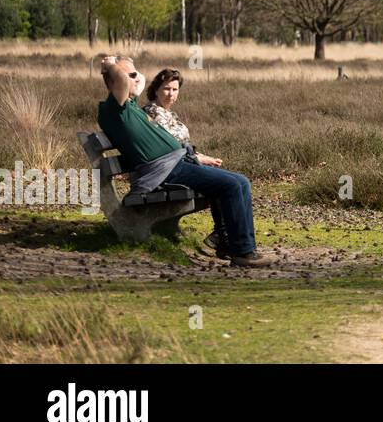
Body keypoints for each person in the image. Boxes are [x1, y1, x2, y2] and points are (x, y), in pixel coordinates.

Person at [97, 55, 276, 267]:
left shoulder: (130, 104)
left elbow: (138, 81)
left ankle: (234, 246)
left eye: (135, 74)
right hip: (164, 172)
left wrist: (129, 67)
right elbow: (123, 80)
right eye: (130, 75)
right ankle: (243, 252)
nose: (136, 79)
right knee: (232, 185)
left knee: (240, 181)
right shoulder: (113, 109)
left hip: (176, 164)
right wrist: (109, 66)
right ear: (113, 82)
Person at [141, 68, 227, 257]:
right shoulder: (153, 113)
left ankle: (221, 235)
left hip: (182, 163)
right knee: (221, 183)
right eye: (166, 89)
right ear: (156, 89)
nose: (171, 94)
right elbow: (168, 150)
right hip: (166, 172)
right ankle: (221, 236)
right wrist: (199, 159)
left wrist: (203, 157)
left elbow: (182, 146)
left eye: (175, 89)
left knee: (222, 178)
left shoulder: (169, 113)